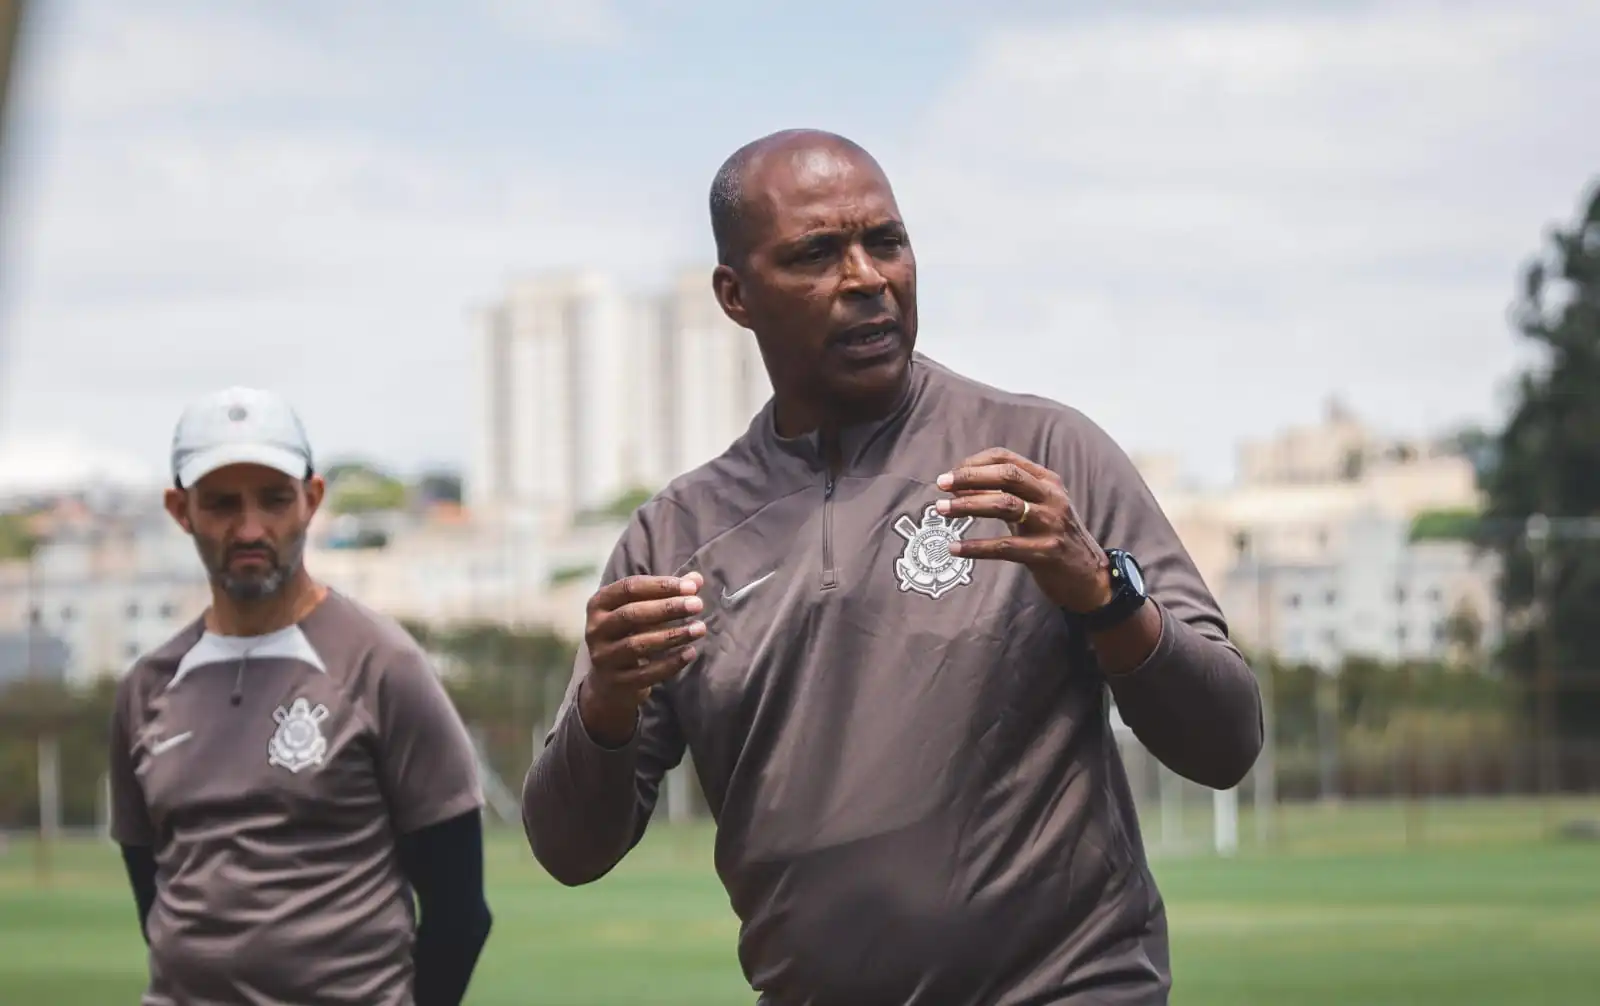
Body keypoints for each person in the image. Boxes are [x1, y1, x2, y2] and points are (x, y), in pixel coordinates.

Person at [521, 129, 1263, 1005]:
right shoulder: (676, 538)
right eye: (817, 254)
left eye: (887, 242)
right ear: (736, 295)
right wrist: (606, 704)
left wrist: (1103, 593)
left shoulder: (1043, 457)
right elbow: (572, 852)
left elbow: (1227, 743)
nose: (867, 278)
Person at [109, 386, 493, 1006]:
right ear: (180, 510)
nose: (251, 527)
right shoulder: (146, 688)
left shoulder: (382, 665)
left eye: (274, 499)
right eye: (223, 504)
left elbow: (459, 913)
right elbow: (155, 904)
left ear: (312, 500)